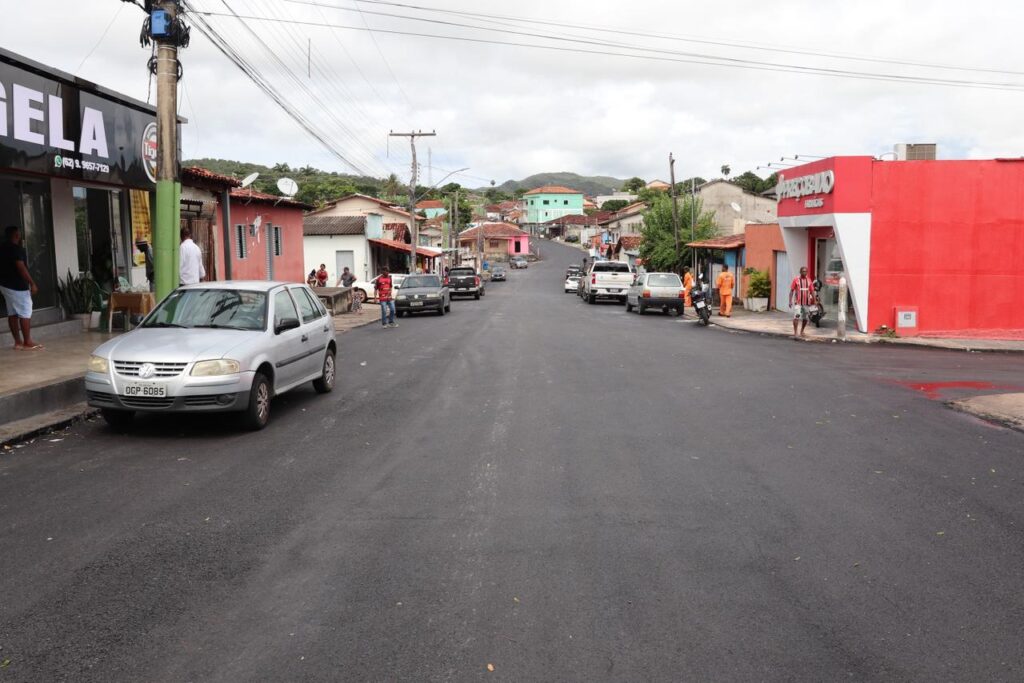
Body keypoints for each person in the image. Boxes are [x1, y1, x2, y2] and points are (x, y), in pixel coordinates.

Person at [0, 225, 42, 350]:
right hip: (17, 286)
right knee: (25, 312)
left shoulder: (2, 248)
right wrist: (32, 283)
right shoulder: (16, 249)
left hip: (5, 285)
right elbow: (21, 267)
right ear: (16, 235)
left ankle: (18, 342)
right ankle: (27, 342)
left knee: (12, 313)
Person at [789, 265, 815, 338]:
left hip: (806, 303)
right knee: (796, 317)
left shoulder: (809, 280)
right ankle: (795, 333)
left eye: (806, 271)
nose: (804, 273)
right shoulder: (796, 280)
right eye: (803, 271)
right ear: (800, 272)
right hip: (798, 303)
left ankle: (802, 331)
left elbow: (812, 291)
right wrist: (790, 301)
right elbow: (791, 291)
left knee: (805, 318)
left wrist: (814, 301)